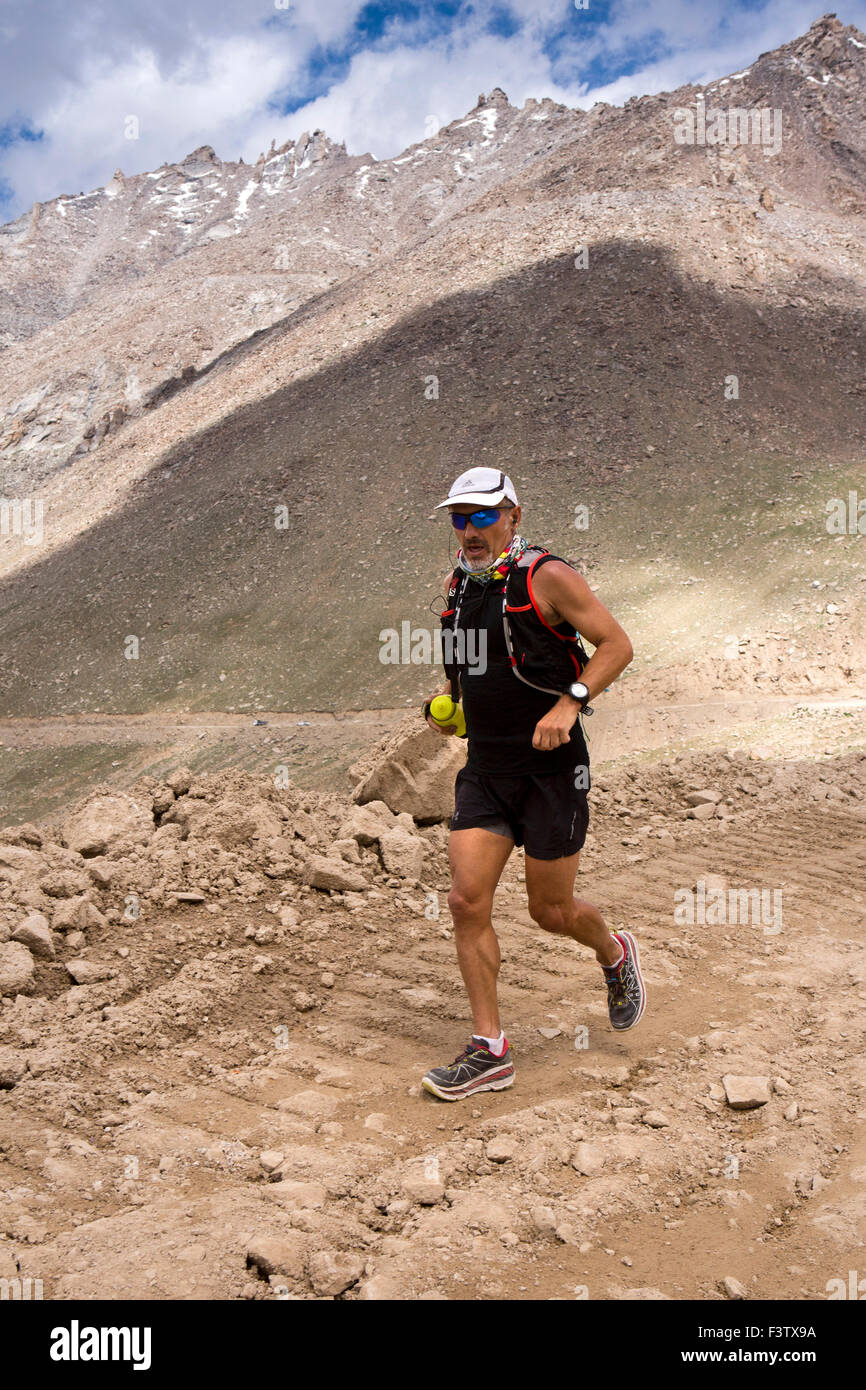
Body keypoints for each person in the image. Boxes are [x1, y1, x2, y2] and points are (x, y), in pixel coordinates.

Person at [420, 467, 644, 1101]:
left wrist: (571, 702)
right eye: (459, 518)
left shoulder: (547, 577)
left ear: (513, 517)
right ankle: (490, 1049)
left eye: (483, 516)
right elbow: (469, 669)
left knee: (550, 912)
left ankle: (614, 952)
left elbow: (616, 644)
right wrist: (449, 704)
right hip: (486, 771)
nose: (469, 529)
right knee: (466, 900)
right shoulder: (458, 590)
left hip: (552, 772)